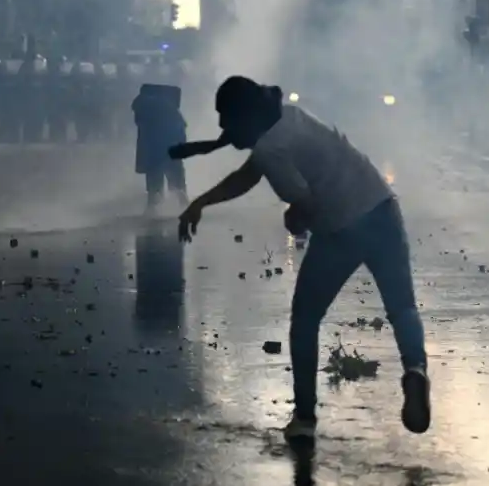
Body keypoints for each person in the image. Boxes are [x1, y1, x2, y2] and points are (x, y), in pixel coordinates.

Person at [177, 76, 430, 441]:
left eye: (226, 119)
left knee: (306, 318)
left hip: (341, 229)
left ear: (245, 116)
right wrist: (202, 201)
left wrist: (292, 219)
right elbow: (248, 176)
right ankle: (415, 370)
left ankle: (306, 416)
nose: (222, 128)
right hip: (382, 208)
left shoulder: (271, 149)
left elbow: (304, 204)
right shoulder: (291, 118)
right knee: (402, 308)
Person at [132, 83, 189, 211]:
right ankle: (183, 207)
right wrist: (182, 146)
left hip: (152, 152)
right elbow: (180, 129)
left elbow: (141, 127)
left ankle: (153, 209)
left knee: (154, 186)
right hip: (171, 150)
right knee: (177, 183)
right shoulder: (169, 108)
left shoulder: (142, 105)